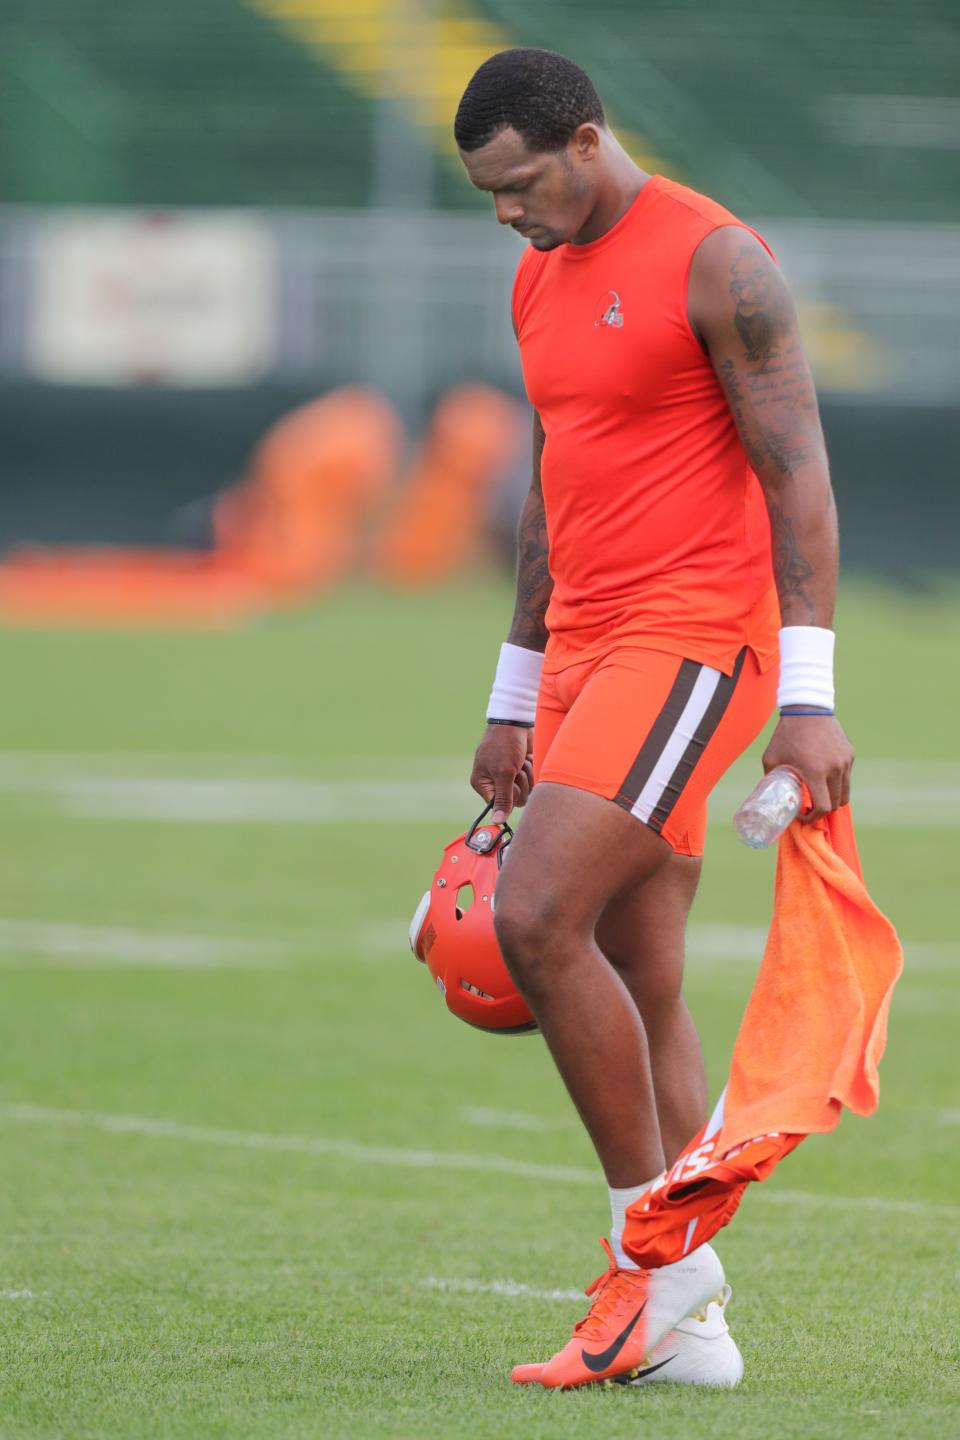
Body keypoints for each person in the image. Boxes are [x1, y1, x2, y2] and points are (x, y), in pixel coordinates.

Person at [453, 48, 854, 1390]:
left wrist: (809, 701)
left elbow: (799, 478)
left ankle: (660, 1271)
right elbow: (549, 485)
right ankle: (699, 1336)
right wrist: (516, 692)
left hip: (693, 643)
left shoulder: (716, 259)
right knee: (639, 969)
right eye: (488, 198)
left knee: (532, 918)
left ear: (583, 140)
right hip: (583, 648)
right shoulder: (534, 273)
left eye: (518, 185)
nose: (507, 214)